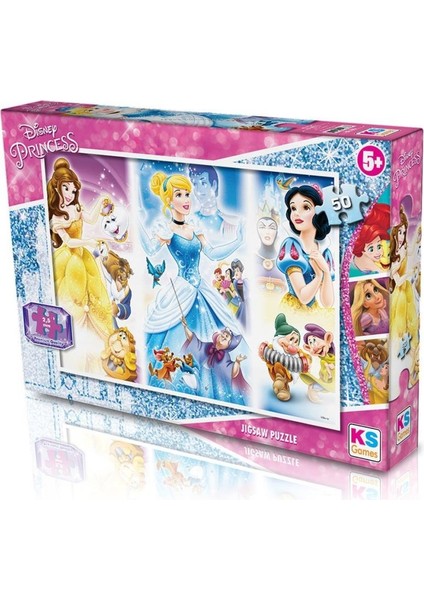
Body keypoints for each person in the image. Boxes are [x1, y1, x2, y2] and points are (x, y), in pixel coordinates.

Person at [138, 171, 248, 404]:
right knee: (175, 346)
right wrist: (135, 221)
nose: (186, 199)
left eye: (187, 194)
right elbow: (149, 250)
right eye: (179, 194)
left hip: (202, 290)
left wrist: (238, 240)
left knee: (222, 331)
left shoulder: (194, 227)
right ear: (169, 201)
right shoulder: (167, 230)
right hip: (182, 291)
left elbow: (212, 253)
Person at [47, 158, 114, 342]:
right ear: (56, 188)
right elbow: (69, 242)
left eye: (73, 189)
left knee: (94, 294)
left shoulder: (76, 208)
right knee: (73, 296)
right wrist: (88, 242)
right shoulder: (57, 218)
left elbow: (91, 219)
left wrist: (100, 201)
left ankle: (99, 337)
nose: (70, 193)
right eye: (66, 188)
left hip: (82, 257)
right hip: (68, 258)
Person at [277, 184, 334, 310]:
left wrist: (326, 271)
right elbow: (303, 297)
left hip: (314, 310)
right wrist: (319, 276)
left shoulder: (324, 251)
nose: (297, 213)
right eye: (293, 208)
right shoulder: (292, 247)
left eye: (306, 207)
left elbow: (327, 303)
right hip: (294, 309)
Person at [181, 320, 249, 405]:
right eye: (223, 334)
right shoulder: (208, 346)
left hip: (214, 385)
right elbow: (194, 341)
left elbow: (231, 372)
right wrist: (185, 327)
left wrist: (237, 362)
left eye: (227, 337)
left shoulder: (224, 356)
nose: (224, 336)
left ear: (229, 344)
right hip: (201, 375)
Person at [188, 165, 240, 246]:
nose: (198, 189)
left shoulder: (231, 223)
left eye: (203, 183)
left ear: (214, 185)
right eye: (195, 184)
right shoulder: (190, 220)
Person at [390, 204, 418, 350]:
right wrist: (408, 273)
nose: (402, 236)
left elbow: (412, 251)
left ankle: (408, 348)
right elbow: (399, 282)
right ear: (394, 233)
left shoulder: (404, 248)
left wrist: (417, 234)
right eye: (399, 232)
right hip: (399, 293)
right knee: (399, 324)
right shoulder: (394, 259)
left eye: (404, 232)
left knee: (410, 322)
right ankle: (398, 348)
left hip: (407, 291)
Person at [351, 203, 390, 274]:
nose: (378, 252)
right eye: (371, 249)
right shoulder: (368, 262)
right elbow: (385, 273)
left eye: (379, 246)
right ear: (362, 251)